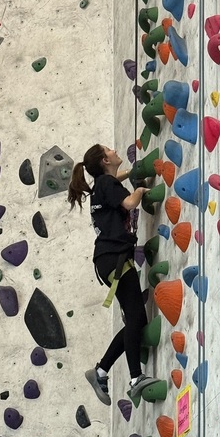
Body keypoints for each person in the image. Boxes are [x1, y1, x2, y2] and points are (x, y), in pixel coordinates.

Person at [68, 144, 158, 404]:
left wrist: (129, 173)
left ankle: (101, 370)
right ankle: (135, 378)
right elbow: (129, 202)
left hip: (108, 259)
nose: (115, 150)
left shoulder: (102, 185)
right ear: (104, 160)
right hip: (115, 257)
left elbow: (113, 180)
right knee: (136, 317)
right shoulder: (106, 185)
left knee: (135, 319)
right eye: (109, 150)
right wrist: (140, 190)